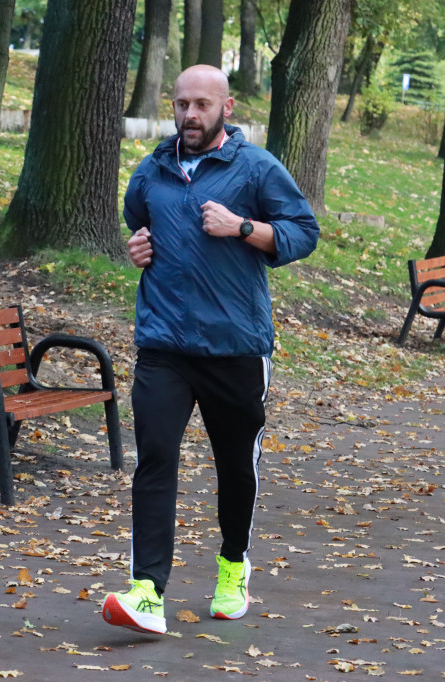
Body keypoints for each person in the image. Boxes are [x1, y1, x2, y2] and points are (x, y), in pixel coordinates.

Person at [101, 65, 319, 635]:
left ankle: (231, 566)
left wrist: (244, 227)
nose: (189, 115)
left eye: (201, 104)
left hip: (235, 347)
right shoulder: (153, 169)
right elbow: (137, 222)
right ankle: (147, 590)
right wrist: (137, 248)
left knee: (234, 466)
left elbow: (303, 231)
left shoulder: (255, 167)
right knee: (154, 459)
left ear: (226, 107)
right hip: (164, 345)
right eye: (180, 105)